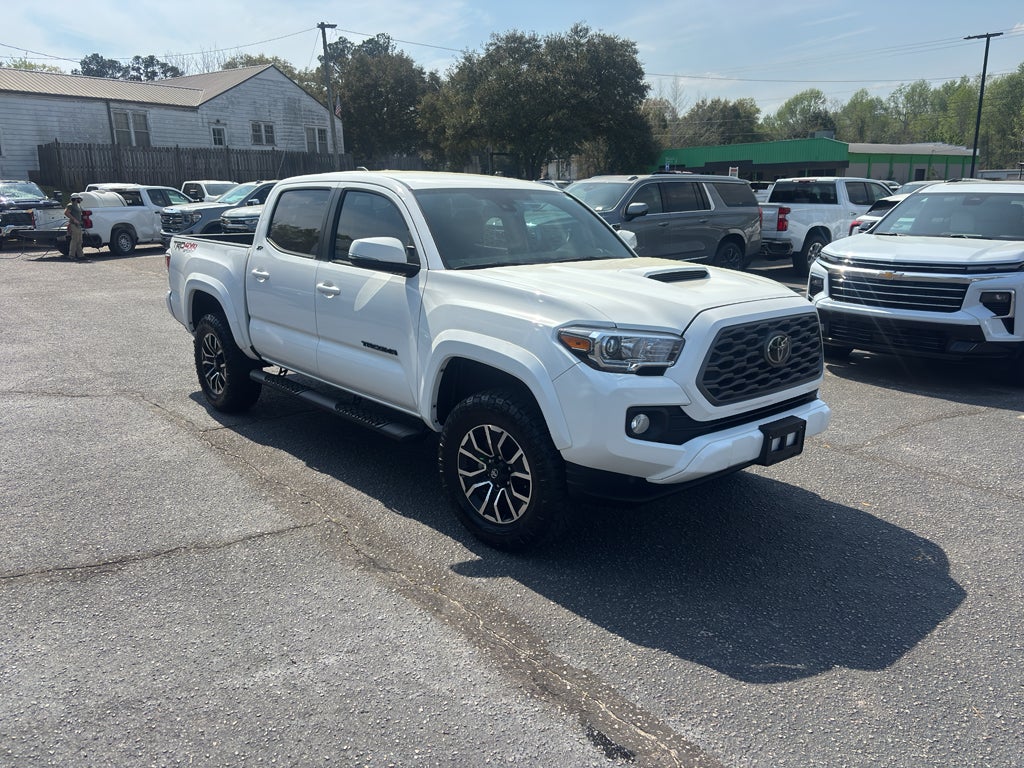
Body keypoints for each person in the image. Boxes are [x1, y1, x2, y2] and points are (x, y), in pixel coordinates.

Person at [63, 193, 85, 261]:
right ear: (75, 199)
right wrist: (74, 219)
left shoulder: (78, 205)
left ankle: (80, 255)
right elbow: (66, 213)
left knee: (80, 241)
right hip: (73, 225)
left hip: (78, 225)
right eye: (79, 199)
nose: (80, 200)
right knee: (74, 240)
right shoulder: (70, 205)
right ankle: (71, 256)